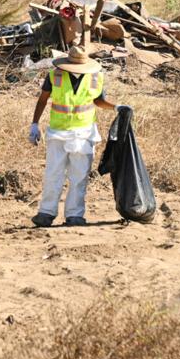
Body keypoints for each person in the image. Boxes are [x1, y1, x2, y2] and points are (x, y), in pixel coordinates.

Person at [28, 46, 117, 227]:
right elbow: (43, 99)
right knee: (53, 174)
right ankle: (46, 213)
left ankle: (75, 215)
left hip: (84, 134)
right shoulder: (55, 76)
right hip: (58, 133)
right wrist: (35, 124)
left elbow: (98, 101)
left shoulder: (96, 77)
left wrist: (116, 107)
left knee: (79, 176)